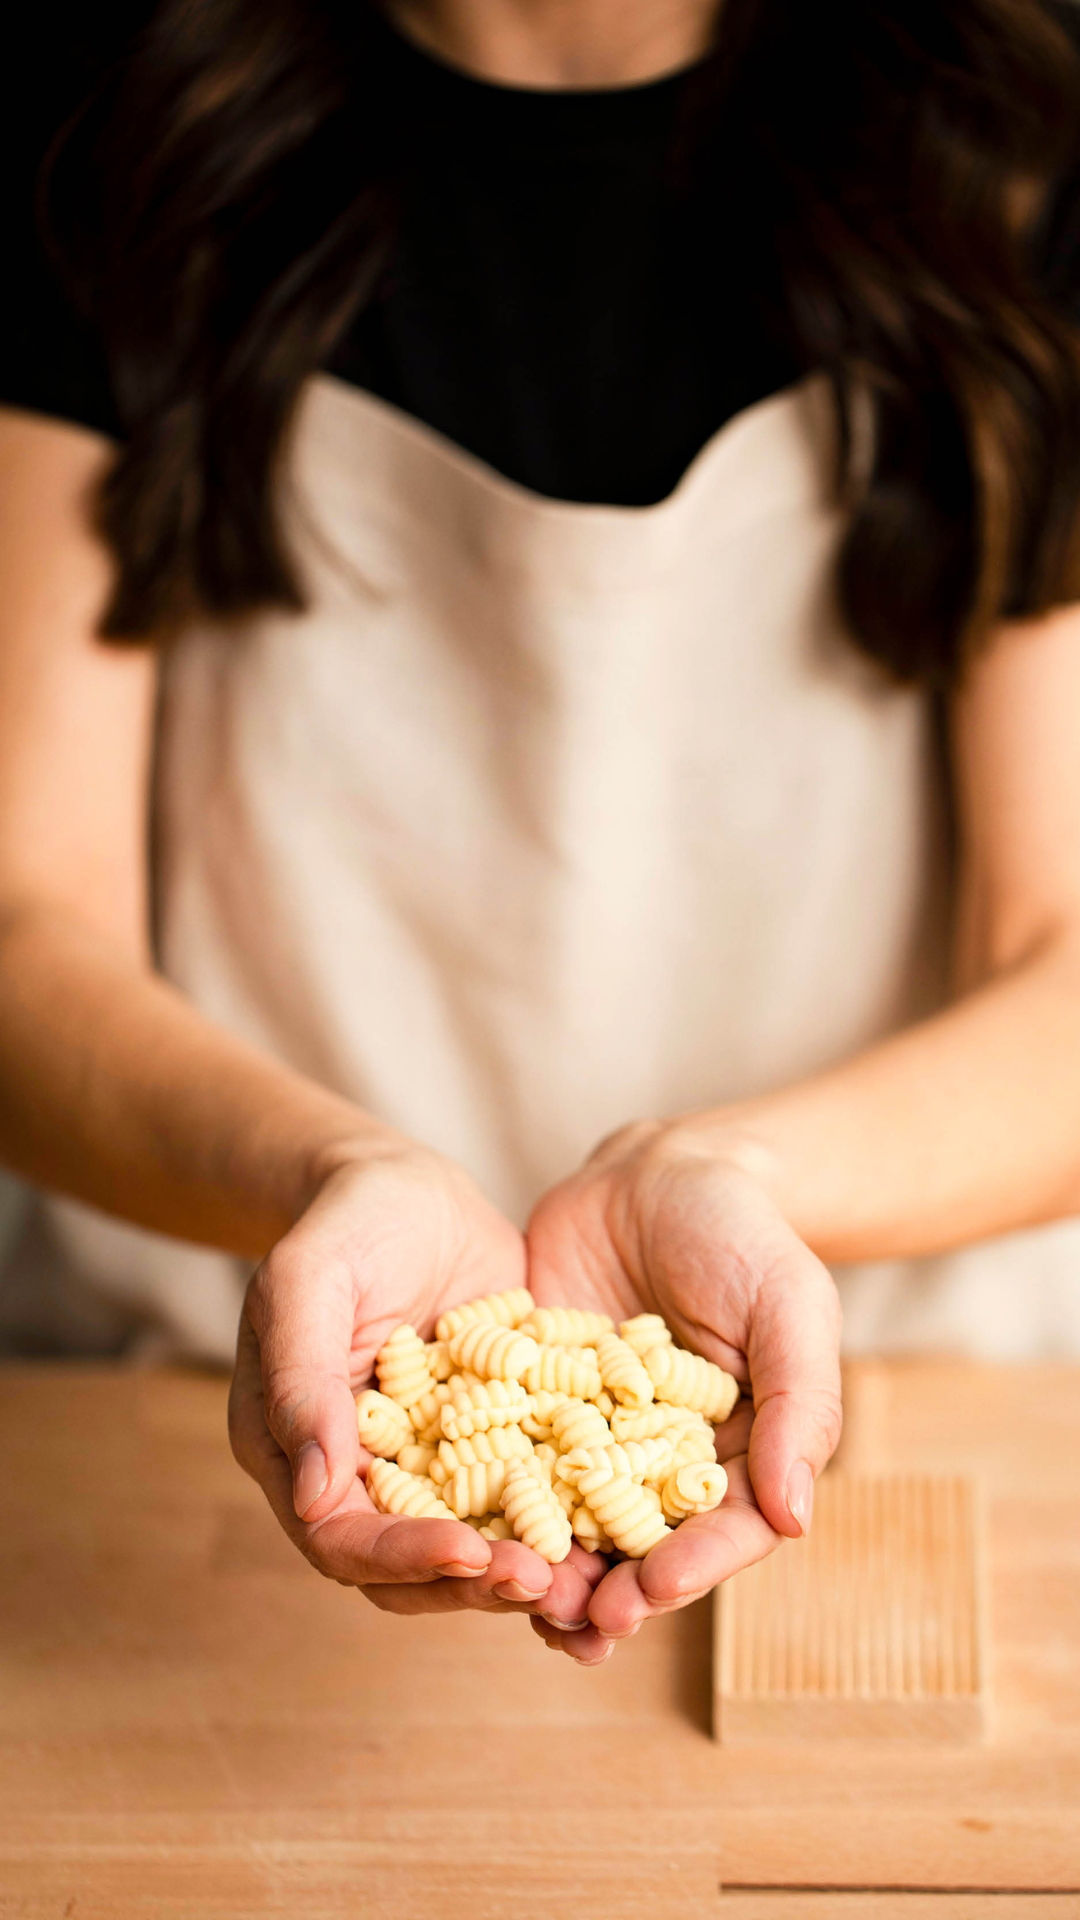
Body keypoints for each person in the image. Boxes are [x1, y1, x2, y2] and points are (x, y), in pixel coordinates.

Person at [2, 0, 1080, 1669]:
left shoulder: (1012, 141)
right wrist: (325, 1173)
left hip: (903, 1453)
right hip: (185, 1471)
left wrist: (746, 1180)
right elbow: (21, 928)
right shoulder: (112, 122)